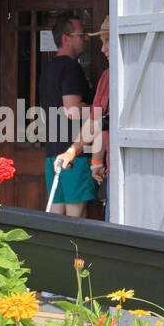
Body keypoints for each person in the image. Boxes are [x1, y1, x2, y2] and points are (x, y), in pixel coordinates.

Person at [38, 12, 96, 217]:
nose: (86, 39)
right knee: (75, 217)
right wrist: (100, 110)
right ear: (66, 38)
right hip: (74, 153)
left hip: (52, 152)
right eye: (82, 34)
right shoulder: (71, 68)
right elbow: (72, 110)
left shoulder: (48, 68)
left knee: (56, 214)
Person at [61, 16, 110, 217]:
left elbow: (101, 121)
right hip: (113, 171)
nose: (103, 49)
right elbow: (99, 121)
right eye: (102, 42)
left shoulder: (114, 75)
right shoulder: (108, 76)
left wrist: (75, 151)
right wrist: (96, 162)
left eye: (107, 41)